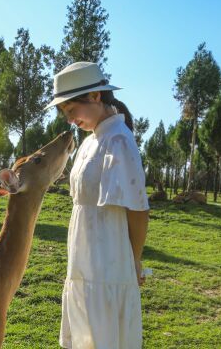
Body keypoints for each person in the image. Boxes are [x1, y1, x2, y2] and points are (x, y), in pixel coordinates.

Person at [45, 62, 150, 349]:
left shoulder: (118, 140)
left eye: (71, 110)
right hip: (84, 261)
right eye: (65, 114)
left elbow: (138, 209)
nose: (69, 120)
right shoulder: (91, 142)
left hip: (108, 264)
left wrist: (135, 260)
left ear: (95, 96)